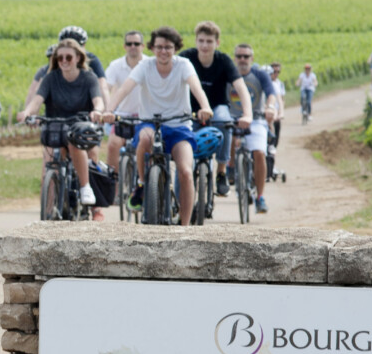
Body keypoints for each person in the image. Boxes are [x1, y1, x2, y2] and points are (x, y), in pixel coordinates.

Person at [104, 26, 210, 225]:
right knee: (144, 138)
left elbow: (196, 86)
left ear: (175, 48)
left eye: (168, 47)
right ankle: (143, 183)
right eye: (159, 47)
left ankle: (185, 227)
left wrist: (205, 107)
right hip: (150, 123)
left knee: (186, 172)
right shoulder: (145, 66)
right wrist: (109, 110)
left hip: (179, 125)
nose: (163, 51)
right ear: (152, 48)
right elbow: (124, 89)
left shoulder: (184, 64)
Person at [17, 38, 105, 206]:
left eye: (68, 57)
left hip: (80, 126)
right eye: (60, 58)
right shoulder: (50, 78)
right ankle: (49, 209)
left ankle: (85, 187)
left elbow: (98, 101)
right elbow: (36, 101)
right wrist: (27, 113)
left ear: (78, 58)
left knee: (74, 142)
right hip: (55, 127)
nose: (64, 61)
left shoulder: (89, 78)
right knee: (49, 164)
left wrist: (97, 111)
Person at [179, 21, 252, 196]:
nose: (205, 45)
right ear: (196, 41)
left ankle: (221, 170)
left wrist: (247, 114)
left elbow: (241, 88)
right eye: (201, 41)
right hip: (191, 110)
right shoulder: (185, 59)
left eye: (209, 41)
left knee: (225, 121)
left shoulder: (224, 61)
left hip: (218, 106)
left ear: (217, 43)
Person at [231, 44, 276, 213]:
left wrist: (270, 107)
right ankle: (230, 169)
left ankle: (260, 196)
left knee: (259, 152)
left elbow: (270, 93)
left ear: (252, 58)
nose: (243, 60)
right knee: (227, 137)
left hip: (256, 119)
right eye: (239, 56)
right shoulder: (229, 73)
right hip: (233, 119)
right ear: (235, 58)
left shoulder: (260, 75)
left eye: (246, 56)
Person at [104, 30, 145, 168]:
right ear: (124, 46)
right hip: (123, 116)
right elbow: (105, 87)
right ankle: (114, 185)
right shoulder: (116, 65)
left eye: (136, 43)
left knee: (148, 147)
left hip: (145, 117)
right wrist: (106, 109)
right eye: (129, 43)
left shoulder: (150, 64)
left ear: (142, 46)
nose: (133, 46)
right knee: (112, 145)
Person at [58, 25, 109, 103]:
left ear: (83, 46)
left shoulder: (92, 60)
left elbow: (102, 86)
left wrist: (108, 110)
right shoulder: (59, 60)